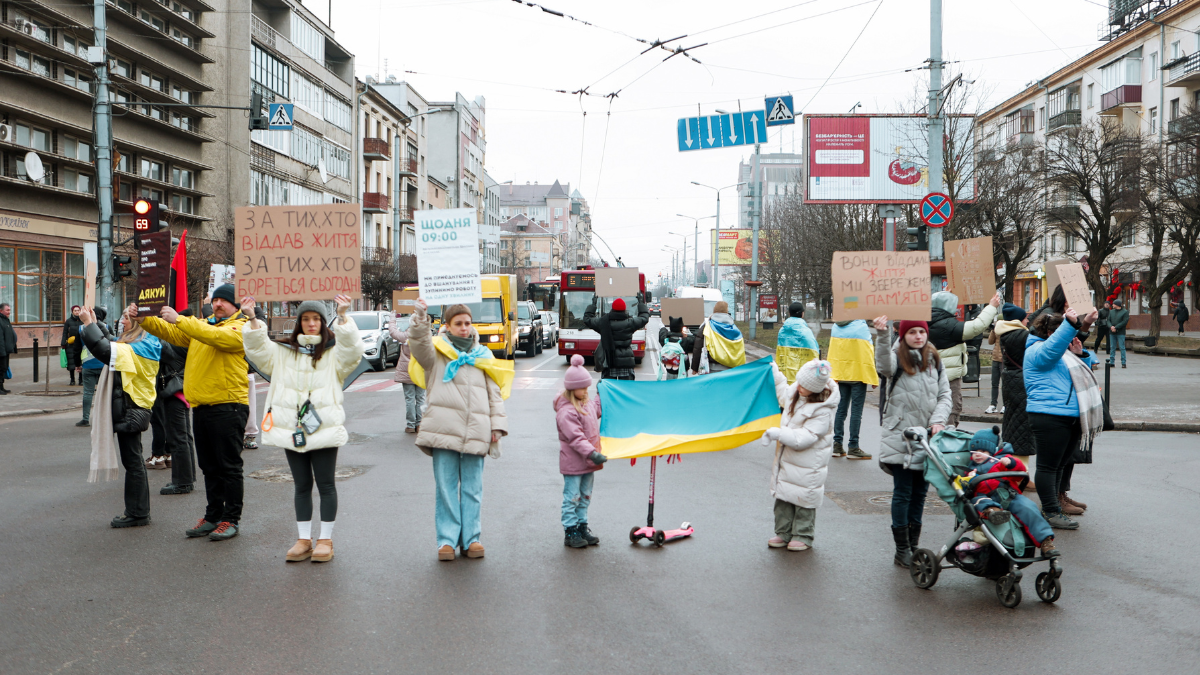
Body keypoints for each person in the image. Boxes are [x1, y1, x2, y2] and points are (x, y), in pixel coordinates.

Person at [243, 295, 363, 564]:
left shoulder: (334, 354)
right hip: (291, 429)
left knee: (326, 484)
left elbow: (353, 351)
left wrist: (343, 316)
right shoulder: (283, 352)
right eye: (306, 319)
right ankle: (304, 539)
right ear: (299, 322)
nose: (311, 324)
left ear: (323, 322)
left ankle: (326, 539)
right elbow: (257, 350)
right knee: (301, 485)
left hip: (324, 428)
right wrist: (252, 317)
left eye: (316, 319)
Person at [135, 283, 250, 542]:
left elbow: (217, 338)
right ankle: (212, 517)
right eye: (216, 299)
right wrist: (145, 318)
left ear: (236, 306)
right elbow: (172, 332)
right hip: (202, 406)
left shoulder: (242, 327)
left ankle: (230, 519)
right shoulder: (202, 326)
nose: (218, 304)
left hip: (228, 405)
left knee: (229, 467)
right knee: (209, 466)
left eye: (224, 301)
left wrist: (182, 320)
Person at [409, 299, 509, 561]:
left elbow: (494, 393)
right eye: (458, 323)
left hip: (477, 430)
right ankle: (446, 541)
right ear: (448, 326)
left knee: (473, 488)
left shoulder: (484, 355)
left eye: (467, 323)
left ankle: (472, 539)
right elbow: (418, 345)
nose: (464, 328)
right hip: (444, 430)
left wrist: (497, 426)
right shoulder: (437, 353)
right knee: (446, 487)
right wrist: (420, 317)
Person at [873, 315, 951, 567]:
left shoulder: (934, 359)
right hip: (900, 436)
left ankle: (914, 545)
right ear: (903, 335)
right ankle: (902, 549)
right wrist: (883, 335)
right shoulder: (896, 356)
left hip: (927, 438)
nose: (918, 336)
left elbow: (945, 395)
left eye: (922, 331)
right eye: (912, 332)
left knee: (920, 494)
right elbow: (884, 366)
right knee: (903, 492)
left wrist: (938, 421)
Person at [79, 306, 161, 528]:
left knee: (133, 461)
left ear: (137, 323)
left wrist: (88, 326)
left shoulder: (143, 346)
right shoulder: (139, 343)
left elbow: (107, 350)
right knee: (133, 460)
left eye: (126, 318)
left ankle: (137, 512)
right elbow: (112, 343)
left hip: (132, 407)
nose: (122, 322)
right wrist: (96, 324)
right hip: (132, 406)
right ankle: (138, 510)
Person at [1025, 307, 1102, 530]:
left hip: (1070, 415)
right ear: (1050, 333)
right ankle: (1050, 511)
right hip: (1048, 415)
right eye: (1064, 333)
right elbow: (1052, 352)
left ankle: (1054, 507)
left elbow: (1080, 377)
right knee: (1048, 467)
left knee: (1059, 465)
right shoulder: (1036, 350)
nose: (1071, 338)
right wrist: (1070, 324)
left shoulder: (1062, 352)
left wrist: (1080, 356)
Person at [762, 359, 839, 551]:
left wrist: (778, 434)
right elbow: (782, 392)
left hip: (809, 464)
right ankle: (783, 532)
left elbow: (804, 438)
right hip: (788, 460)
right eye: (800, 383)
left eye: (805, 386)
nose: (800, 388)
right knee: (784, 498)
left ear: (816, 389)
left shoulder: (823, 411)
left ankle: (803, 535)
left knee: (804, 499)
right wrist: (775, 374)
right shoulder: (796, 391)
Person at [961, 427, 1059, 558]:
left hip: (1008, 494)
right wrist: (969, 478)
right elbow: (965, 489)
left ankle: (1045, 541)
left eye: (983, 451)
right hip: (985, 497)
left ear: (992, 451)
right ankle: (993, 512)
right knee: (979, 502)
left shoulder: (1000, 461)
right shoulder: (970, 469)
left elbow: (1019, 472)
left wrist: (1011, 463)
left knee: (1028, 507)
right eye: (975, 451)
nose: (978, 454)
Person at [929, 290, 1001, 428]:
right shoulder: (947, 324)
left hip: (935, 375)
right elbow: (976, 327)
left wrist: (946, 293)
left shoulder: (930, 321)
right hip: (949, 378)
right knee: (950, 411)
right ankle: (946, 442)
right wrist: (991, 307)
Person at [556, 355, 606, 548]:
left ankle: (582, 526)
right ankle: (570, 531)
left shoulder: (586, 403)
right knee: (572, 497)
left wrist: (601, 394)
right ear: (571, 388)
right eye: (582, 388)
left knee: (585, 495)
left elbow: (597, 410)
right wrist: (592, 453)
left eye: (588, 387)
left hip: (588, 462)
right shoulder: (566, 411)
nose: (586, 391)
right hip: (574, 463)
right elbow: (576, 438)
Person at [995, 304, 1036, 488]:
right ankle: (1020, 475)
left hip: (1013, 382)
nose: (1028, 320)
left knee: (1015, 427)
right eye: (1025, 318)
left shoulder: (1006, 332)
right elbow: (1039, 330)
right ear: (1018, 320)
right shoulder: (1019, 335)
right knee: (1022, 430)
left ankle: (1018, 473)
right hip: (1020, 384)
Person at [149, 334, 197, 494]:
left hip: (175, 393)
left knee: (178, 439)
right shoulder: (186, 339)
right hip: (182, 391)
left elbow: (159, 346)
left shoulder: (178, 341)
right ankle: (188, 478)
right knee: (184, 437)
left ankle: (182, 482)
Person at [827, 319, 878, 459]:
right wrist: (872, 375)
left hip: (841, 373)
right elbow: (868, 353)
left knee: (841, 410)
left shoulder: (836, 327)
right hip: (858, 375)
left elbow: (833, 351)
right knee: (856, 411)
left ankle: (837, 445)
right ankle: (853, 447)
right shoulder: (861, 327)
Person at [584, 296, 650, 380]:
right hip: (626, 362)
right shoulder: (630, 323)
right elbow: (644, 318)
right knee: (625, 390)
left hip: (609, 361)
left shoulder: (603, 322)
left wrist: (593, 305)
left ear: (612, 309)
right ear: (624, 309)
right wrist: (641, 304)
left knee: (610, 390)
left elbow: (587, 319)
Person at [389, 317, 425, 432]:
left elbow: (393, 332)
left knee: (409, 399)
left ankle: (410, 425)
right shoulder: (424, 337)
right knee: (420, 399)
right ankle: (419, 424)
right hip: (420, 371)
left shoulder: (405, 336)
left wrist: (392, 319)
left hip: (407, 371)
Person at [689, 301, 745, 375]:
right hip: (730, 369)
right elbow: (739, 349)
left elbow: (698, 347)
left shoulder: (707, 326)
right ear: (727, 311)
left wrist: (695, 368)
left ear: (714, 310)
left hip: (712, 368)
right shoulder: (734, 329)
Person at [76, 307, 111, 427]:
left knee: (88, 392)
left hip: (87, 364)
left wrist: (77, 364)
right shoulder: (106, 328)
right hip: (104, 364)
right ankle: (106, 419)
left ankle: (85, 418)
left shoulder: (80, 328)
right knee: (106, 393)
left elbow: (76, 348)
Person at [775, 302, 820, 384]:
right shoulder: (806, 331)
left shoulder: (782, 330)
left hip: (785, 373)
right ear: (802, 314)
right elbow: (814, 352)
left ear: (789, 313)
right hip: (801, 377)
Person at [657, 316, 692, 380]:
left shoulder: (666, 340)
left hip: (669, 369)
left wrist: (662, 328)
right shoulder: (685, 340)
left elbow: (662, 335)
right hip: (682, 370)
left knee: (670, 387)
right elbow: (696, 339)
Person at [61, 305, 84, 385]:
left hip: (81, 344)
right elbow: (64, 333)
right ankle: (72, 379)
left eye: (78, 310)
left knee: (81, 361)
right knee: (71, 362)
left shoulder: (83, 320)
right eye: (75, 310)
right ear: (72, 312)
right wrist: (63, 343)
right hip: (71, 344)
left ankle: (81, 380)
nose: (77, 312)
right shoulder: (68, 321)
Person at [1107, 298, 1129, 368]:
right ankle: (1112, 361)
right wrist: (1111, 327)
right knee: (1112, 347)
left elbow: (1124, 322)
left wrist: (1116, 327)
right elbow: (1108, 320)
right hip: (1112, 332)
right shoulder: (1111, 312)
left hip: (1120, 332)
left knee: (1122, 347)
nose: (1112, 305)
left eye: (1113, 304)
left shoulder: (1125, 312)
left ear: (1117, 305)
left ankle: (1123, 362)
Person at [0, 302, 16, 395]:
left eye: (9, 310)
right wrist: (2, 351)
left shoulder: (6, 320)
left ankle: (2, 387)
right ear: (1, 310)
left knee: (4, 368)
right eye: (7, 310)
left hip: (6, 350)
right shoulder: (1, 321)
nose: (9, 312)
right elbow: (0, 338)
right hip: (2, 351)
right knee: (1, 369)